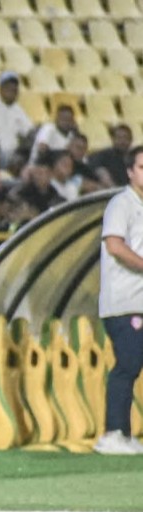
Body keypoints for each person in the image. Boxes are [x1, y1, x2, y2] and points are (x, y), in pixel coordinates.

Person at [94, 145, 143, 456]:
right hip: (125, 303)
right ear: (130, 171)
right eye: (142, 167)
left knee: (132, 366)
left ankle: (123, 433)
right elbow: (114, 245)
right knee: (127, 366)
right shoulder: (121, 204)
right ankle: (113, 433)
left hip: (139, 303)